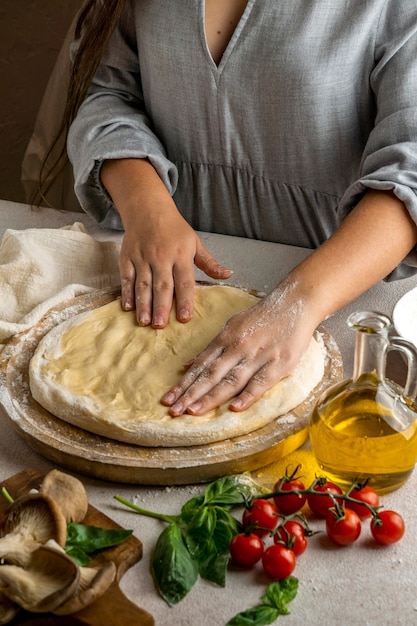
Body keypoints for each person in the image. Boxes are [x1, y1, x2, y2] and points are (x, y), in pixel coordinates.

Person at [61, 0, 417, 418]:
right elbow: (108, 93)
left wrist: (296, 305)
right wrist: (147, 208)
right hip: (173, 282)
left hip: (336, 304)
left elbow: (410, 166)